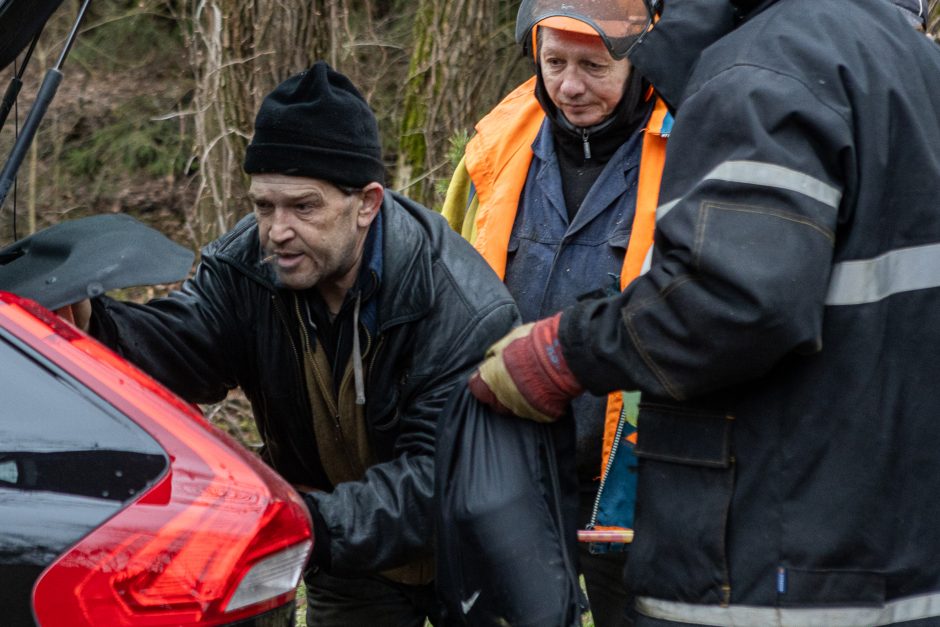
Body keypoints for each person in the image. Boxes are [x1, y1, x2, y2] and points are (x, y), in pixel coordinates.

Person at [469, 0, 940, 624]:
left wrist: (565, 352)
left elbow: (733, 300)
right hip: (892, 549)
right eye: (554, 62)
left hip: (776, 560)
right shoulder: (911, 62)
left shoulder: (761, 72)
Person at [69, 61, 519, 626]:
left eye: (304, 207)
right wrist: (92, 327)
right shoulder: (249, 266)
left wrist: (301, 522)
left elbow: (439, 482)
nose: (277, 230)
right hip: (347, 553)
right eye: (264, 206)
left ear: (367, 203)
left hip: (471, 546)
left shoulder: (456, 304)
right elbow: (184, 348)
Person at [440, 1, 671, 624]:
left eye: (593, 66)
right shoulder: (495, 145)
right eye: (555, 63)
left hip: (638, 476)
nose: (569, 86)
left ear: (638, 58)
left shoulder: (690, 145)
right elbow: (444, 286)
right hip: (512, 464)